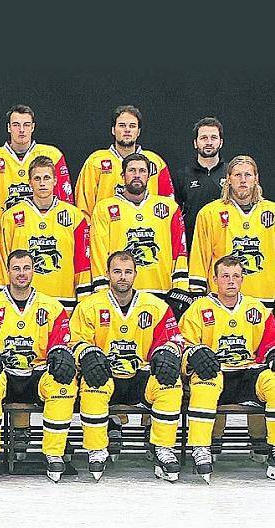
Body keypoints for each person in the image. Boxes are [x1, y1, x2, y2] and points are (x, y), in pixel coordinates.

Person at [70, 250, 185, 482]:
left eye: (127, 272)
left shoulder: (156, 306)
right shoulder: (89, 306)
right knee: (92, 384)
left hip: (140, 375)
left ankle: (163, 448)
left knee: (170, 384)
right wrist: (87, 353)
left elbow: (174, 339)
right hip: (106, 375)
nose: (122, 277)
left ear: (135, 274)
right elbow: (73, 340)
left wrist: (167, 352)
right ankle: (96, 448)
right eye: (117, 272)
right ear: (107, 274)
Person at [0, 249, 75, 483]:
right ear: (7, 271)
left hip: (38, 374)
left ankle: (54, 453)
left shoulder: (51, 306)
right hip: (4, 374)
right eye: (16, 268)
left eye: (26, 268)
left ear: (33, 270)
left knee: (63, 385)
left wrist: (61, 355)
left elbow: (61, 341)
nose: (21, 274)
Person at [177, 256, 275, 482]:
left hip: (249, 374)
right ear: (214, 280)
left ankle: (273, 447)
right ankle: (201, 448)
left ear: (242, 279)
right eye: (225, 276)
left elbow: (270, 342)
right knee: (203, 384)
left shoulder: (256, 308)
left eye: (236, 276)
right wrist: (194, 354)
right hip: (216, 373)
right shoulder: (198, 309)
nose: (231, 281)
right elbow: (182, 343)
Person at [90, 153, 191, 318]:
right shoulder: (104, 208)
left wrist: (180, 288)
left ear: (149, 175)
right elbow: (98, 252)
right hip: (120, 295)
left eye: (142, 171)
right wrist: (102, 290)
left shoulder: (169, 208)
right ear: (123, 176)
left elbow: (179, 250)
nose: (137, 175)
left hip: (161, 292)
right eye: (132, 170)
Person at [0, 155, 91, 312]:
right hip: (22, 302)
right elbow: (3, 259)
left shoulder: (74, 216)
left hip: (64, 301)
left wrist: (83, 298)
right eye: (37, 178)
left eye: (47, 178)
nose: (42, 183)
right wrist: (3, 295)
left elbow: (82, 261)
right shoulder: (11, 216)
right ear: (30, 182)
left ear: (55, 181)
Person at [190, 155, 275, 309]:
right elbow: (199, 257)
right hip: (223, 301)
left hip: (265, 299)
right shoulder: (209, 212)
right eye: (237, 175)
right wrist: (197, 292)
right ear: (228, 179)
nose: (243, 180)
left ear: (256, 179)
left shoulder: (272, 212)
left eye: (248, 175)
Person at [0, 104, 72, 223]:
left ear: (33, 127)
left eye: (26, 125)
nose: (21, 130)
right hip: (4, 234)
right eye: (16, 125)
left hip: (44, 231)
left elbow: (66, 202)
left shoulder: (53, 155)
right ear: (8, 127)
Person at [76, 105, 174, 219]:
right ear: (113, 130)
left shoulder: (155, 163)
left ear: (138, 132)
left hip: (148, 231)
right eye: (122, 125)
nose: (127, 129)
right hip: (109, 231)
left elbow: (168, 204)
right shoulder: (96, 161)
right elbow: (83, 206)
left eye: (132, 126)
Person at [173, 118, 227, 247]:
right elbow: (175, 215)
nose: (209, 142)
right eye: (203, 138)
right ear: (195, 143)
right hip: (192, 244)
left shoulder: (231, 174)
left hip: (225, 245)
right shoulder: (182, 176)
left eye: (213, 138)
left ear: (221, 142)